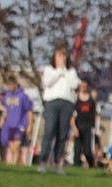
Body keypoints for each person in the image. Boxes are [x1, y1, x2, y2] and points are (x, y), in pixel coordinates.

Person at [38, 45, 81, 174]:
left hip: (66, 103)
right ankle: (43, 163)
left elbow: (74, 84)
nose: (61, 58)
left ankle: (58, 164)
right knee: (49, 132)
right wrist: (59, 71)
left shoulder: (71, 72)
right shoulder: (49, 70)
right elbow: (48, 82)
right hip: (52, 103)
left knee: (62, 135)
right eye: (59, 55)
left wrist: (65, 71)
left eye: (63, 56)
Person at [0, 75, 33, 165]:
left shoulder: (23, 96)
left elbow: (29, 110)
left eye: (10, 85)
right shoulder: (8, 95)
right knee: (11, 147)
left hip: (19, 125)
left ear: (15, 85)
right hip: (9, 124)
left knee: (16, 147)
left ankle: (14, 164)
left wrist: (29, 125)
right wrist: (3, 116)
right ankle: (14, 165)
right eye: (8, 86)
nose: (9, 87)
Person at [70, 78, 98, 169]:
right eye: (82, 86)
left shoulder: (91, 99)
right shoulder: (75, 98)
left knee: (87, 150)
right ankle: (76, 167)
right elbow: (71, 115)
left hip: (88, 126)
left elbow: (95, 113)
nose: (83, 88)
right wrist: (74, 128)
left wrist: (95, 127)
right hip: (78, 126)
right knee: (77, 149)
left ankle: (91, 165)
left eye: (85, 86)